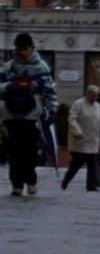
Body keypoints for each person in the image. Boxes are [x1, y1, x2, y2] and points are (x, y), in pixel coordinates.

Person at [0, 32, 57, 196]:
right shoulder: (8, 66)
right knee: (14, 152)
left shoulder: (41, 67)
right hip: (11, 113)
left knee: (30, 151)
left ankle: (31, 179)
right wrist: (10, 86)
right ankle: (16, 185)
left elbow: (49, 90)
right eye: (20, 49)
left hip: (32, 115)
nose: (22, 52)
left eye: (25, 49)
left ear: (32, 48)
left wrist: (52, 110)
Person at [62, 85, 100, 192]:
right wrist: (77, 131)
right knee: (76, 164)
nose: (95, 98)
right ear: (88, 94)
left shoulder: (98, 106)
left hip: (93, 140)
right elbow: (72, 119)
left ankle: (91, 185)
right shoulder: (78, 104)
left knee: (93, 164)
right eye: (93, 96)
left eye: (97, 96)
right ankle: (66, 180)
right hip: (80, 140)